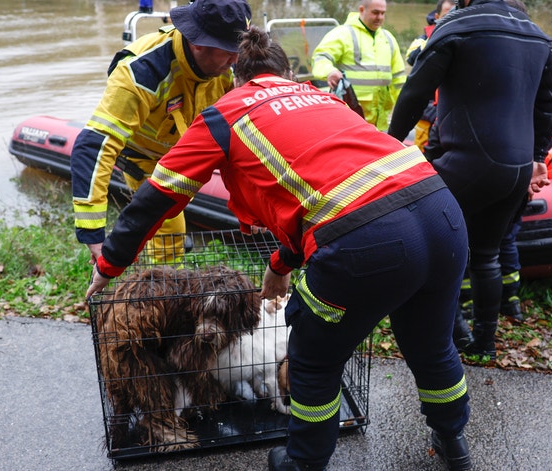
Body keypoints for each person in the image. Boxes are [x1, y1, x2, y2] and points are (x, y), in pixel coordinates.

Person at [86, 25, 473, 471]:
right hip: (442, 213)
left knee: (311, 357)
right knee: (431, 345)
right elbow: (330, 186)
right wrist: (281, 263)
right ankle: (453, 443)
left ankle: (302, 461)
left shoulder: (225, 115)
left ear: (235, 75)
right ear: (286, 72)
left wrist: (111, 263)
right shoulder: (324, 98)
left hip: (365, 239)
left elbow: (157, 195)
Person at [387, 0, 552, 360]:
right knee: (486, 255)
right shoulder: (538, 36)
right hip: (515, 170)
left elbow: (416, 91)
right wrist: (538, 159)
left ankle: (452, 333)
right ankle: (484, 343)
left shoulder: (457, 26)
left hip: (466, 161)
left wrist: (389, 142)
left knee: (435, 249)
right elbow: (549, 104)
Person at [70, 0, 251, 264]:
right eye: (229, 52)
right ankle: (166, 293)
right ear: (198, 42)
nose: (236, 60)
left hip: (186, 150)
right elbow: (94, 145)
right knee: (169, 227)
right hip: (147, 159)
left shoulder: (228, 67)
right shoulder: (140, 72)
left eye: (240, 50)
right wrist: (92, 233)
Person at [310, 0, 406, 131]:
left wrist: (405, 106)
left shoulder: (388, 38)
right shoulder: (342, 34)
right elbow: (320, 58)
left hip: (380, 121)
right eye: (375, 13)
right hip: (350, 118)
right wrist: (329, 71)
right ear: (362, 10)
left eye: (383, 13)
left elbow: (398, 78)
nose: (380, 17)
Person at [404, 0, 456, 152]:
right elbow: (412, 58)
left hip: (451, 113)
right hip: (428, 113)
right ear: (437, 16)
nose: (452, 17)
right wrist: (438, 38)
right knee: (423, 156)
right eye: (448, 14)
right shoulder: (424, 39)